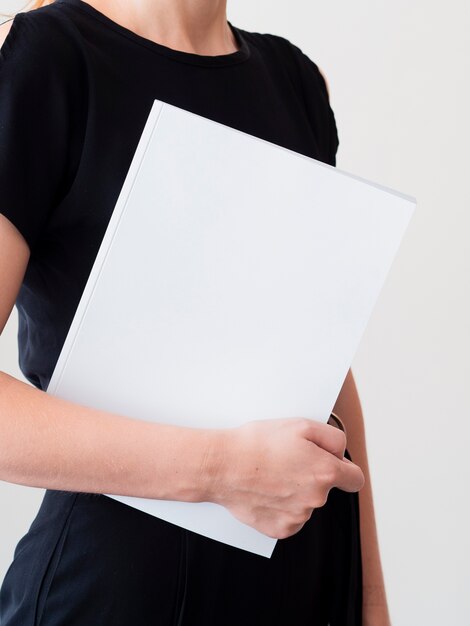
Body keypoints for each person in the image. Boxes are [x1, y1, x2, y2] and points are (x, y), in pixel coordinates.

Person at [0, 1, 391, 624]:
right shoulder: (42, 58)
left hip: (309, 579)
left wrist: (370, 602)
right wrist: (222, 471)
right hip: (128, 589)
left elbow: (323, 367)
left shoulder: (295, 81)